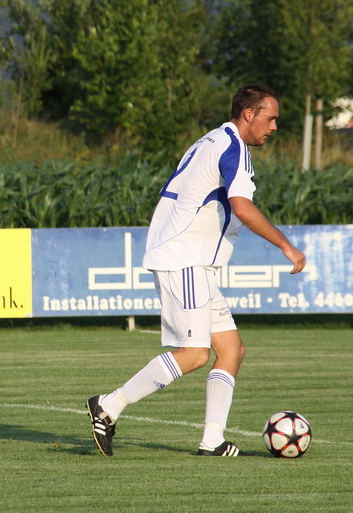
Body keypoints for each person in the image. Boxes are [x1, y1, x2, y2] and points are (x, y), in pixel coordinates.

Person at [86, 83, 306, 457]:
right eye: (270, 118)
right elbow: (242, 206)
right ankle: (109, 405)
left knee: (232, 349)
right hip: (185, 259)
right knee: (194, 353)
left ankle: (212, 440)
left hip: (193, 261)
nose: (274, 126)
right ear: (249, 114)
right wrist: (286, 244)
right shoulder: (234, 147)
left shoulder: (212, 139)